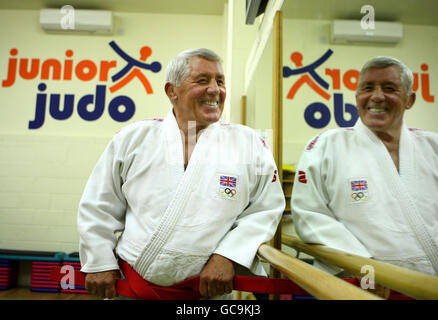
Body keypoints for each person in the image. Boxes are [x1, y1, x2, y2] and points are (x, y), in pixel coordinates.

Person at [77, 48, 285, 299]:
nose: (215, 90)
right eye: (202, 80)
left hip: (207, 295)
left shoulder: (250, 144)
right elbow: (99, 205)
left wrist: (228, 255)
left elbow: (266, 209)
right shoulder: (132, 139)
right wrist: (99, 261)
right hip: (132, 288)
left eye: (220, 81)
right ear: (171, 91)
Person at [291, 56, 438, 279]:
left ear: (409, 99)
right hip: (356, 283)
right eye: (368, 88)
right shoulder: (326, 146)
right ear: (358, 96)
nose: (377, 96)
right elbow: (309, 214)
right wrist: (363, 267)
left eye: (389, 88)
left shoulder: (433, 147)